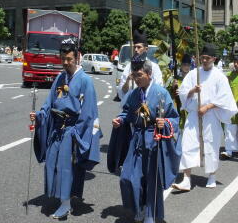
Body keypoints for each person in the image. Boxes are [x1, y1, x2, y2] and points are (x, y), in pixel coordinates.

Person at [30, 38, 101, 219]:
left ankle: (65, 203)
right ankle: (62, 198)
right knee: (52, 164)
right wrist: (39, 116)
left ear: (77, 58)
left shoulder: (85, 80)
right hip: (57, 129)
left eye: (69, 59)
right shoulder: (60, 77)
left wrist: (77, 135)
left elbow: (89, 112)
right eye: (63, 59)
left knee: (66, 167)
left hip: (72, 130)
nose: (66, 63)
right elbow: (49, 103)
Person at [110, 55, 180, 223]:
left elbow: (174, 118)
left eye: (139, 75)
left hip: (154, 139)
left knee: (151, 180)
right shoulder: (134, 94)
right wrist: (120, 120)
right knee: (128, 177)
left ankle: (150, 214)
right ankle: (138, 207)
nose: (136, 79)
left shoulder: (161, 93)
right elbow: (126, 111)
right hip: (137, 140)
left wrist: (166, 122)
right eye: (134, 75)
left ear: (149, 74)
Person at [173, 43, 237, 191]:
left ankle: (212, 175)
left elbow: (225, 98)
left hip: (211, 116)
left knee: (211, 145)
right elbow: (182, 93)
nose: (204, 61)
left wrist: (208, 106)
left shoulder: (220, 77)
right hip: (194, 114)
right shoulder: (194, 74)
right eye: (202, 58)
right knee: (188, 143)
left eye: (207, 58)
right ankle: (186, 179)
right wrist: (192, 91)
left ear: (214, 58)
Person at [117, 30, 163, 105]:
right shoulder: (129, 66)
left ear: (146, 49)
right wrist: (128, 81)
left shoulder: (154, 67)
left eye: (139, 47)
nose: (136, 50)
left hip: (148, 106)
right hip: (131, 105)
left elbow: (159, 88)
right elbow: (122, 92)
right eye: (135, 47)